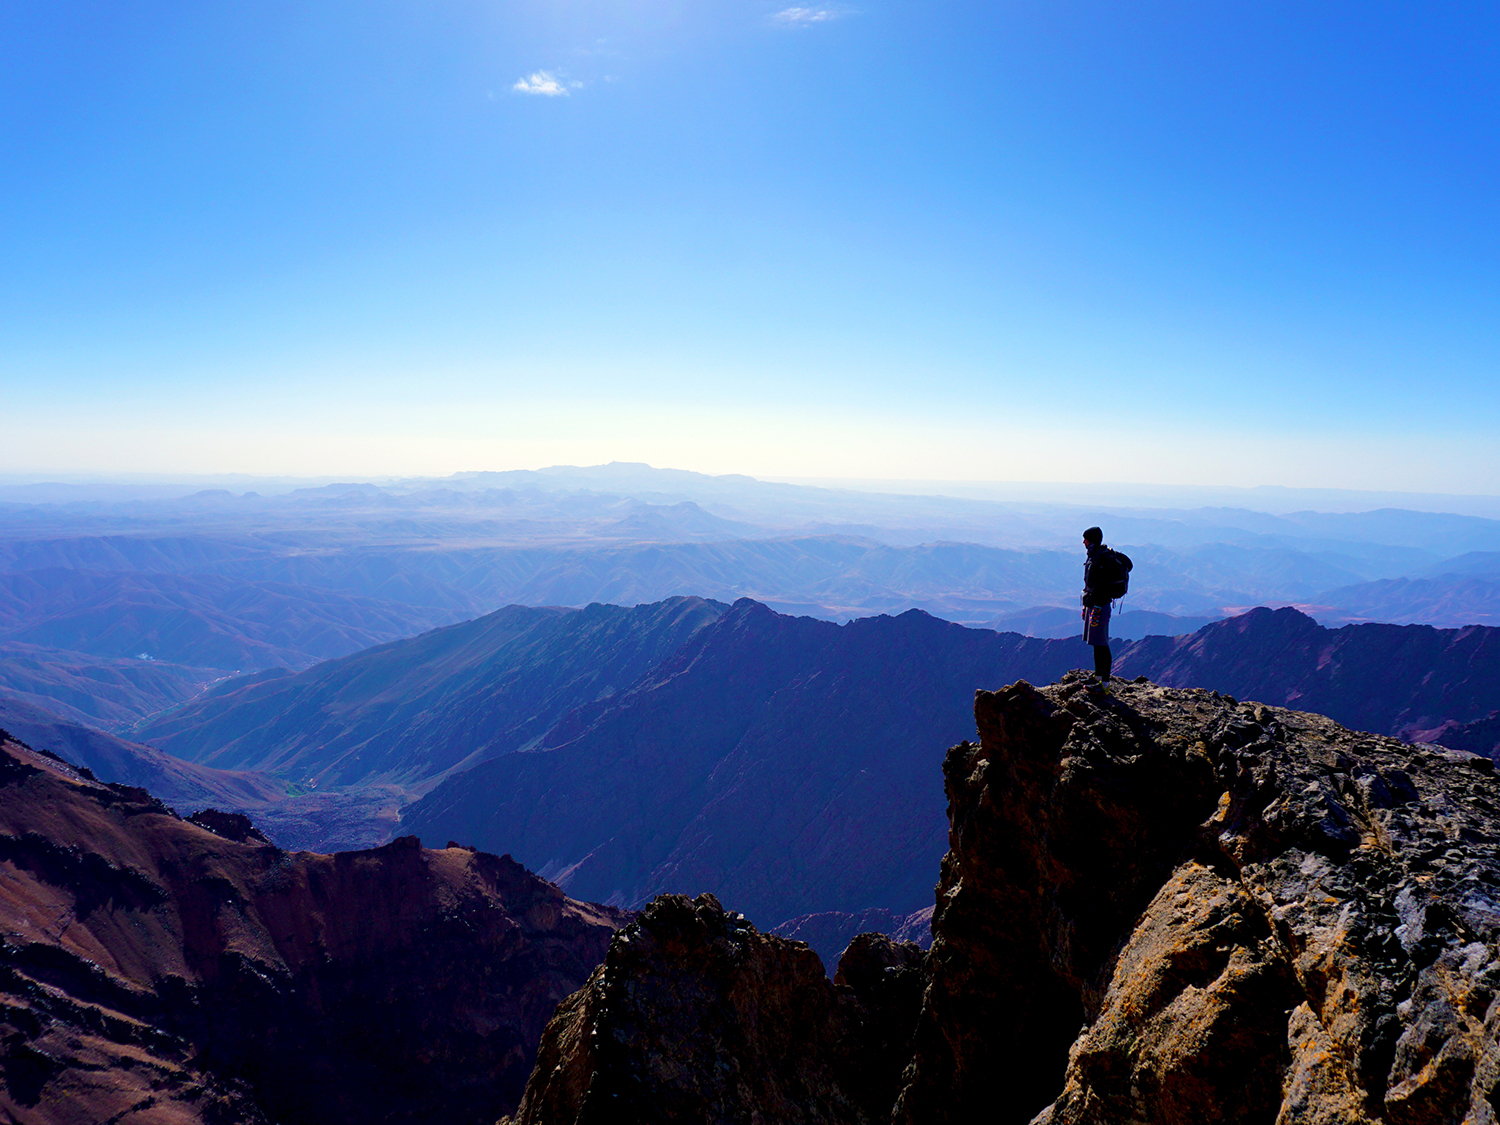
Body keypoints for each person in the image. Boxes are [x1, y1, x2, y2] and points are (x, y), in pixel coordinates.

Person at [1081, 526, 1113, 684]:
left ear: (1091, 540)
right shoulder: (1095, 556)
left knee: (1102, 643)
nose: (1083, 542)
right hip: (1094, 605)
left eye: (1085, 539)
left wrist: (1097, 608)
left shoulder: (1101, 559)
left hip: (1099, 606)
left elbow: (1102, 586)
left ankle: (1105, 683)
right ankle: (1098, 676)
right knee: (1096, 642)